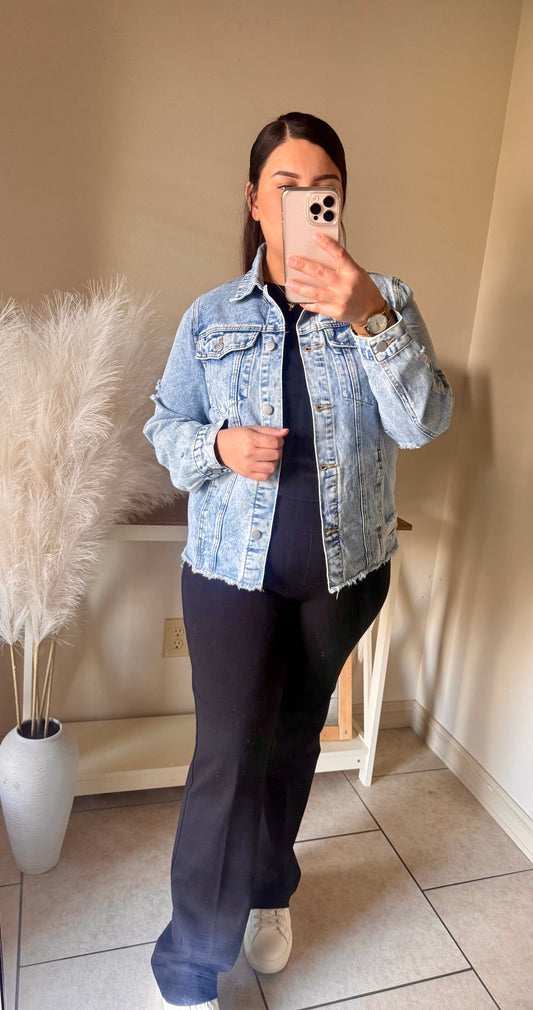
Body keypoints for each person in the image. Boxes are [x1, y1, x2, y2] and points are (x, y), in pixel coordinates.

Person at [143, 111, 453, 1010]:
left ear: (340, 201)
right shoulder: (211, 316)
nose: (305, 201)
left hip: (341, 575)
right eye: (285, 186)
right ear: (254, 199)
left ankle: (269, 891)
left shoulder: (383, 299)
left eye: (323, 189)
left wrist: (369, 319)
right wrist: (218, 446)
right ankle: (190, 966)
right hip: (228, 577)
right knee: (225, 758)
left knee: (290, 745)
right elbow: (164, 426)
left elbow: (422, 423)